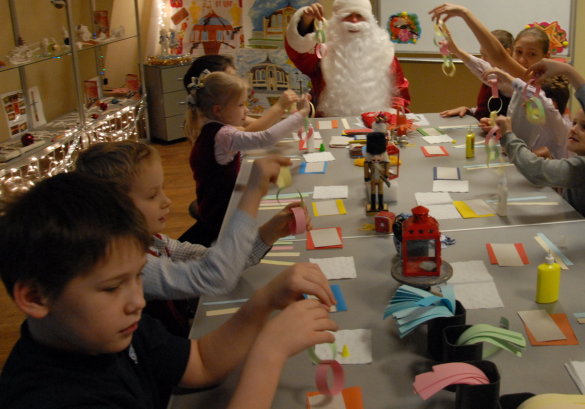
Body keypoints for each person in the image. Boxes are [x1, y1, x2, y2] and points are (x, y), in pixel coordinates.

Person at [0, 172, 337, 409]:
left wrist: (265, 300)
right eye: (112, 287)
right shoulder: (50, 397)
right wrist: (269, 354)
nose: (137, 300)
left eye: (137, 276)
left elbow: (202, 362)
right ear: (35, 297)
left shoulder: (108, 330)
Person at [75, 141, 310, 336]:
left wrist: (269, 232)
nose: (166, 201)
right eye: (152, 195)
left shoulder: (153, 241)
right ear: (113, 209)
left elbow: (211, 260)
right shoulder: (131, 267)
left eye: (163, 190)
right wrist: (254, 192)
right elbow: (216, 275)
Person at [183, 70, 309, 247]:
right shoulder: (223, 135)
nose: (247, 110)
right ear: (218, 110)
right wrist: (301, 114)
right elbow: (265, 138)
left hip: (215, 203)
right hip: (221, 213)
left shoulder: (211, 127)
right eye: (241, 105)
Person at [429, 4, 570, 157]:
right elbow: (486, 67)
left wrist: (465, 14)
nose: (522, 59)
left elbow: (498, 57)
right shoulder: (517, 83)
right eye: (519, 52)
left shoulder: (539, 87)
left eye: (532, 54)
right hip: (517, 157)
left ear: (545, 57)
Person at [284, 0, 411, 117]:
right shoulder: (324, 48)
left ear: (369, 20)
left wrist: (391, 115)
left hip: (375, 124)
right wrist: (306, 21)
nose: (354, 21)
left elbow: (399, 92)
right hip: (330, 124)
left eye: (359, 15)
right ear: (337, 19)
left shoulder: (383, 51)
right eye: (347, 15)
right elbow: (299, 53)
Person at [496, 105, 585, 234]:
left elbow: (535, 170)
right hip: (582, 236)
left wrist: (508, 135)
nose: (574, 129)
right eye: (574, 123)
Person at [183, 54, 300, 131]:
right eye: (231, 79)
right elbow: (251, 132)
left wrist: (285, 114)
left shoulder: (222, 113)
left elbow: (261, 124)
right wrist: (279, 106)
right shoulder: (212, 124)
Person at [439, 29, 514, 121]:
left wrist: (457, 51)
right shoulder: (490, 79)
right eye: (482, 54)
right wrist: (470, 111)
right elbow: (487, 109)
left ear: (507, 53)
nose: (483, 59)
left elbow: (482, 68)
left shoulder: (510, 82)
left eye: (488, 55)